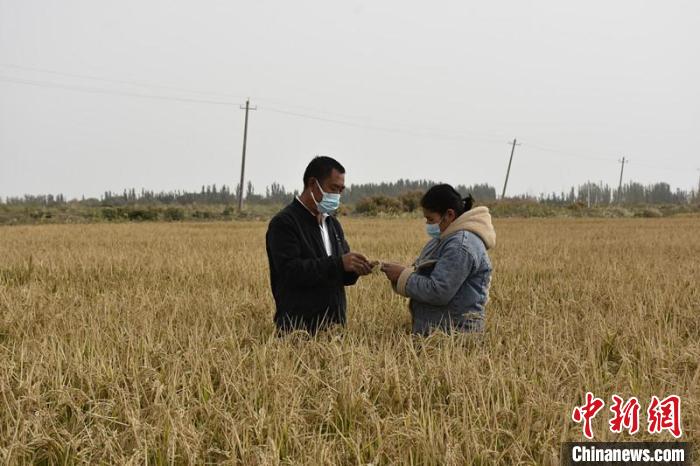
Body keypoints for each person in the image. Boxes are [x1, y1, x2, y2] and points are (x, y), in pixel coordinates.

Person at [265, 156, 374, 334]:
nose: (337, 196)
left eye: (341, 190)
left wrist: (355, 269)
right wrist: (340, 263)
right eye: (333, 188)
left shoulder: (332, 224)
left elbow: (339, 273)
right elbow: (289, 272)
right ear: (313, 184)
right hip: (298, 330)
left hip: (334, 328)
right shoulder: (284, 223)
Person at [380, 184, 495, 335]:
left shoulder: (460, 246)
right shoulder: (446, 238)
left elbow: (439, 291)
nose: (428, 224)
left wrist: (402, 276)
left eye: (430, 219)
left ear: (449, 215)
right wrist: (403, 272)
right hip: (439, 334)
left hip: (453, 337)